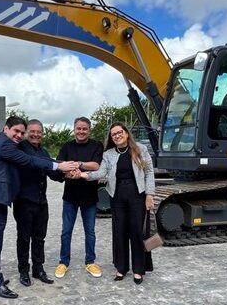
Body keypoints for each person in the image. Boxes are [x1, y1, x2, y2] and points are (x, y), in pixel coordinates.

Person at [0, 116, 78, 299]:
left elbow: (46, 168)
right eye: (17, 131)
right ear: (5, 128)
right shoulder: (7, 145)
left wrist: (64, 172)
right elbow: (30, 161)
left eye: (21, 133)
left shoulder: (14, 145)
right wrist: (59, 164)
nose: (19, 135)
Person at [78, 122, 155, 285]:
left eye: (120, 132)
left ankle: (138, 270)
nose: (117, 135)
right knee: (119, 232)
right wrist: (84, 175)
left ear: (126, 134)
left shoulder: (140, 149)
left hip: (137, 195)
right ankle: (121, 267)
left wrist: (150, 195)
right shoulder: (108, 154)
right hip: (117, 197)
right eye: (114, 134)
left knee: (137, 232)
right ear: (111, 138)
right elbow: (101, 172)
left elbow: (149, 171)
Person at [14, 119, 63, 287]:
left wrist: (68, 173)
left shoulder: (43, 151)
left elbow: (53, 172)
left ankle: (38, 268)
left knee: (39, 237)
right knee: (24, 238)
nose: (35, 135)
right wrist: (59, 166)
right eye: (32, 131)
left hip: (42, 202)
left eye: (39, 132)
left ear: (42, 134)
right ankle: (23, 270)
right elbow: (35, 163)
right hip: (24, 201)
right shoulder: (20, 149)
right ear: (26, 133)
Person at [54, 117, 104, 279]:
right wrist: (72, 173)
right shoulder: (66, 146)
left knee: (90, 232)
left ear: (89, 130)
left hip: (90, 197)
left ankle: (90, 261)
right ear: (74, 129)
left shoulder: (97, 145)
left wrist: (76, 164)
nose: (81, 131)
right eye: (78, 128)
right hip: (70, 197)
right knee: (66, 231)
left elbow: (96, 166)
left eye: (85, 129)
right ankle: (63, 262)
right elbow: (60, 166)